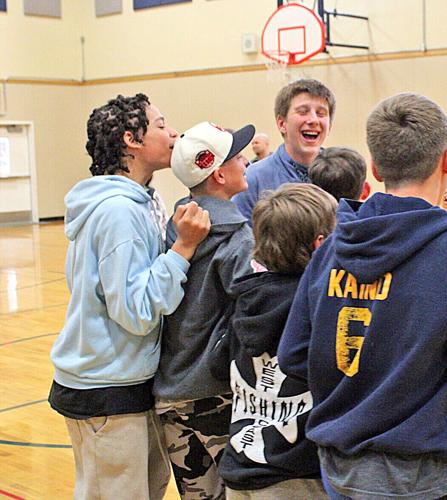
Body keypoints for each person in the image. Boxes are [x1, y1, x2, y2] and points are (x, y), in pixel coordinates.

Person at [278, 93, 447, 500]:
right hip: (418, 478)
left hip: (337, 470)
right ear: (446, 161)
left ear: (375, 167)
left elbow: (294, 356)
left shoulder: (331, 249)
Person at [48, 93, 211, 500]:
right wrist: (183, 249)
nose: (173, 133)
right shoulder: (118, 211)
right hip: (105, 385)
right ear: (131, 140)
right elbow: (136, 311)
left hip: (124, 377)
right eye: (160, 125)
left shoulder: (138, 203)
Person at [153, 121, 257, 499]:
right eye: (237, 156)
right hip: (215, 395)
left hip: (170, 391)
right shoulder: (239, 237)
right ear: (219, 173)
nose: (245, 160)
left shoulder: (174, 226)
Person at [219, 183, 338, 499]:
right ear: (321, 244)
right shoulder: (319, 307)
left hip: (240, 468)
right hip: (295, 480)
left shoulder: (245, 297)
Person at [233, 78, 335, 222]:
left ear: (330, 125)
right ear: (282, 124)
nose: (313, 120)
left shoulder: (340, 172)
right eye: (303, 112)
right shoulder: (253, 178)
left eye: (321, 113)